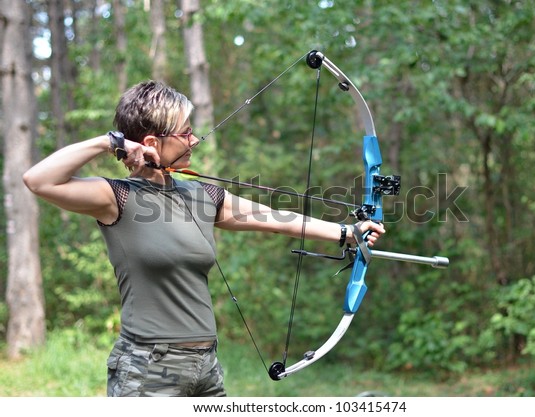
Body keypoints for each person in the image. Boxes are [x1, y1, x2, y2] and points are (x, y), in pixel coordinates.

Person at [22, 80, 385, 397]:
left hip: (206, 367)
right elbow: (39, 180)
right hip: (148, 370)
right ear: (152, 142)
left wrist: (346, 232)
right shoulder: (115, 198)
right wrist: (109, 142)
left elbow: (278, 219)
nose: (194, 139)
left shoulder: (202, 196)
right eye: (185, 132)